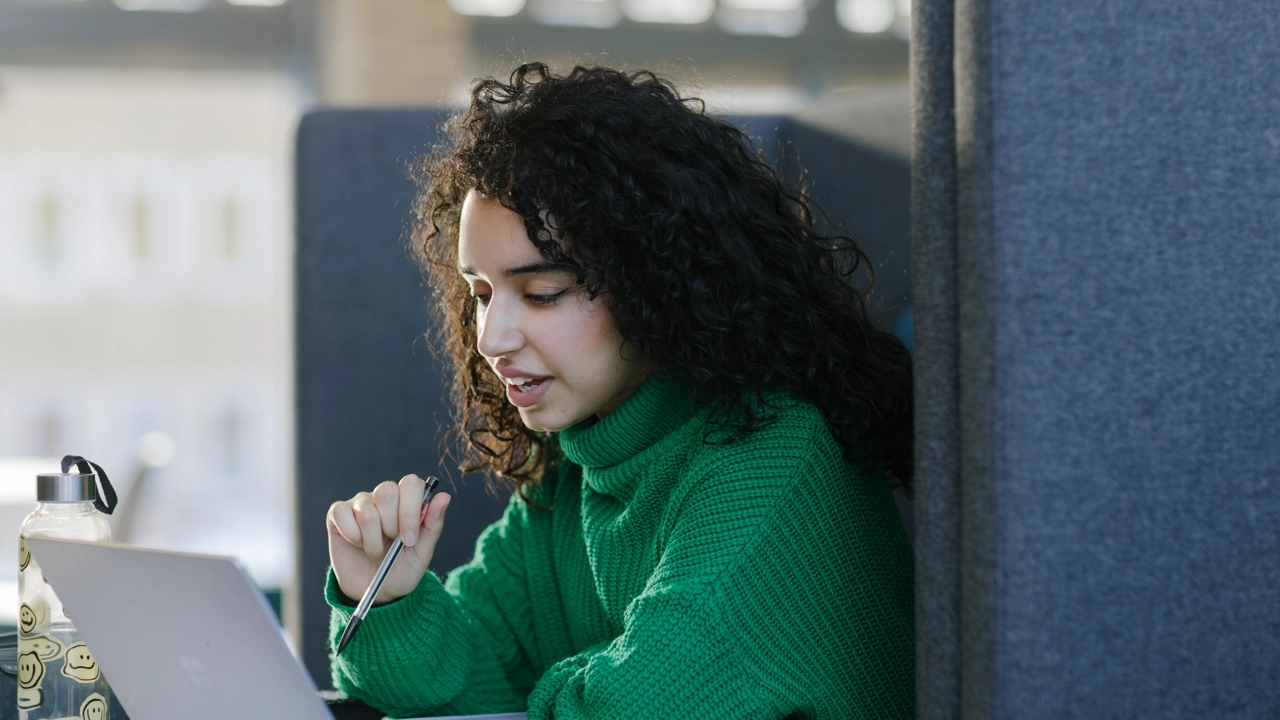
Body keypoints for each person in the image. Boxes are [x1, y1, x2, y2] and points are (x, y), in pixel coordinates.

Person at [325, 63, 915, 719]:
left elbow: (622, 710)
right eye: (481, 294)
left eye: (542, 293)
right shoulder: (575, 475)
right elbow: (465, 683)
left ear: (655, 284)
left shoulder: (775, 463)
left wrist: (554, 687)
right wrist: (386, 600)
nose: (490, 338)